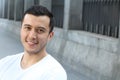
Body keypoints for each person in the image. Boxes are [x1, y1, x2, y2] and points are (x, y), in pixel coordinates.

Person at [0, 5, 67, 80]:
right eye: (28, 28)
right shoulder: (5, 63)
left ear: (50, 36)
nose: (32, 36)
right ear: (21, 29)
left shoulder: (54, 73)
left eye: (40, 30)